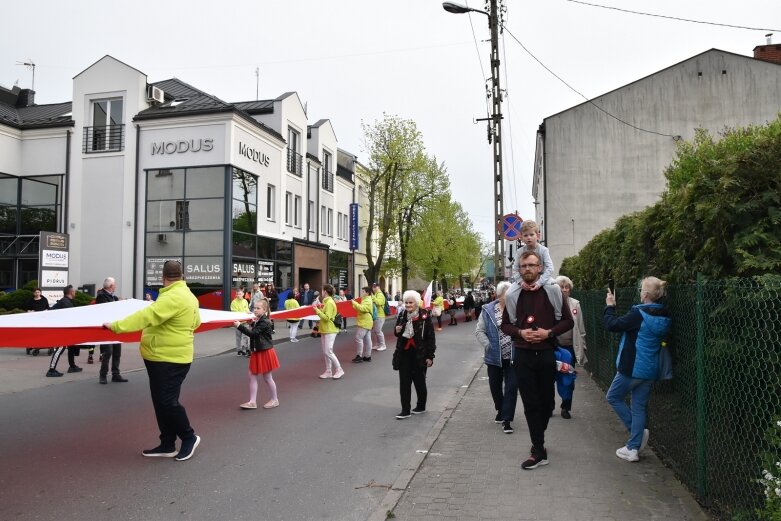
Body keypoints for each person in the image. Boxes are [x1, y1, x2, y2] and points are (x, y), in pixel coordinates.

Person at [104, 260, 201, 462]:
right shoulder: (189, 296)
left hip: (168, 358)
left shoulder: (173, 297)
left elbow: (147, 316)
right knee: (161, 402)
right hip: (165, 357)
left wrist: (116, 326)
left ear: (163, 278)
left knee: (167, 402)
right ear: (181, 276)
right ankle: (167, 443)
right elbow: (197, 322)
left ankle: (189, 437)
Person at [501, 251, 574, 470]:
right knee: (530, 403)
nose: (528, 269)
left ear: (540, 267)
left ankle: (538, 439)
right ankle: (538, 449)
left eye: (532, 265)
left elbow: (568, 321)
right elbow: (506, 325)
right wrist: (521, 333)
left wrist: (548, 333)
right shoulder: (513, 294)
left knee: (547, 403)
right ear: (519, 270)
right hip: (522, 354)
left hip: (545, 353)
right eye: (524, 266)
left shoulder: (552, 291)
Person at [604, 276, 671, 463]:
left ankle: (637, 437)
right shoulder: (663, 315)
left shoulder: (638, 314)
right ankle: (633, 449)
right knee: (638, 406)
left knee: (613, 397)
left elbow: (612, 325)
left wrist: (610, 306)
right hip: (650, 369)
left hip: (631, 367)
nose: (640, 292)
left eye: (642, 289)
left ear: (646, 294)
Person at [476, 281, 517, 434]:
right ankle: (500, 409)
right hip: (494, 357)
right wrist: (488, 345)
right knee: (495, 386)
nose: (510, 298)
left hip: (513, 356)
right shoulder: (487, 311)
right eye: (507, 295)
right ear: (499, 296)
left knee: (512, 387)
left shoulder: (517, 310)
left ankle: (507, 420)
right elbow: (479, 331)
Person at [392, 290, 436, 419]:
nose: (408, 305)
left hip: (420, 354)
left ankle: (421, 405)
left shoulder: (424, 316)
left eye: (410, 302)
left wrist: (430, 356)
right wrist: (397, 330)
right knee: (404, 382)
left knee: (419, 381)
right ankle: (405, 410)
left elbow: (431, 338)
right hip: (404, 353)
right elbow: (397, 333)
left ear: (416, 303)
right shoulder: (401, 315)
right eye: (406, 302)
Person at [234, 298, 280, 410]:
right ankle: (252, 402)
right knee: (252, 375)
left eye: (258, 308)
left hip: (265, 351)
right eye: (254, 308)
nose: (255, 310)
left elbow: (254, 334)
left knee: (267, 377)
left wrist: (240, 326)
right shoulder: (260, 320)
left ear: (264, 310)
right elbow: (257, 329)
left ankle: (274, 399)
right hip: (259, 350)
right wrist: (252, 323)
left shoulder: (265, 321)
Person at [554, 275, 588, 418]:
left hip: (569, 348)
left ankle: (565, 407)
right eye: (561, 287)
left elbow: (581, 329)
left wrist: (582, 348)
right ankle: (549, 405)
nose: (564, 290)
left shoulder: (575, 305)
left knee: (568, 378)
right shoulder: (551, 304)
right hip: (554, 347)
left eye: (566, 287)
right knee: (550, 377)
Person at [95, 277, 128, 384]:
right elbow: (107, 309)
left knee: (117, 352)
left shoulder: (113, 297)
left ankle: (116, 374)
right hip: (106, 329)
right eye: (114, 285)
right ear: (110, 286)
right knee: (108, 352)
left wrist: (122, 303)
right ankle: (103, 375)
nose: (116, 287)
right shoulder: (101, 296)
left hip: (115, 327)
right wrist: (119, 303)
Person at [45, 285, 82, 377]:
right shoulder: (66, 303)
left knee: (71, 347)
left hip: (64, 329)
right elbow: (69, 317)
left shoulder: (65, 301)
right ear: (71, 292)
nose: (75, 293)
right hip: (62, 330)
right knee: (59, 349)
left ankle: (72, 366)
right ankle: (51, 370)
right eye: (74, 291)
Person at [511, 220, 554, 289]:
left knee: (555, 288)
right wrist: (521, 282)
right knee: (509, 294)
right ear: (521, 238)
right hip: (525, 278)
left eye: (531, 234)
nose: (529, 237)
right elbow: (515, 269)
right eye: (525, 235)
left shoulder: (543, 250)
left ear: (538, 236)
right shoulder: (519, 252)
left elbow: (550, 268)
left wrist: (540, 282)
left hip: (542, 278)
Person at [314, 284, 344, 379]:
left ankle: (339, 369)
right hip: (326, 329)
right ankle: (328, 371)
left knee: (328, 351)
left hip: (330, 330)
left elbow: (326, 318)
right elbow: (325, 314)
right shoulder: (327, 302)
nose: (321, 292)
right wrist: (319, 308)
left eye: (322, 290)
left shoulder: (330, 302)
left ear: (325, 291)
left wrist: (316, 310)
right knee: (325, 351)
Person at [351, 286, 374, 363]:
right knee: (367, 340)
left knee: (358, 338)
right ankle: (367, 356)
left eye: (363, 292)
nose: (362, 293)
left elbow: (363, 308)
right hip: (367, 321)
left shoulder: (367, 300)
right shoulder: (366, 299)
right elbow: (359, 308)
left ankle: (359, 356)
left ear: (367, 293)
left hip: (364, 322)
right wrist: (354, 304)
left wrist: (354, 303)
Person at [25, 288, 49, 355]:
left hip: (43, 319)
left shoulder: (44, 299)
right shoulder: (30, 300)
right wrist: (30, 311)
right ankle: (34, 345)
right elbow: (27, 309)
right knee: (34, 333)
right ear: (34, 293)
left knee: (43, 333)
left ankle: (43, 344)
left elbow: (48, 308)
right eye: (36, 292)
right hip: (34, 319)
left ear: (40, 293)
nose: (37, 293)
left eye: (38, 292)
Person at [230, 288, 251, 356]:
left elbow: (247, 309)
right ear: (236, 294)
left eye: (240, 294)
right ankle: (239, 350)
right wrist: (244, 312)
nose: (239, 295)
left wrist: (248, 313)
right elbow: (234, 312)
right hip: (237, 323)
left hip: (245, 322)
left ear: (243, 294)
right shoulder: (233, 302)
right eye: (237, 294)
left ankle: (247, 349)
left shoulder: (245, 301)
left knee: (246, 336)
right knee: (238, 337)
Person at [370, 283, 388, 351]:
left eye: (374, 287)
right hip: (377, 315)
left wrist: (373, 297)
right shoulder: (376, 294)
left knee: (378, 331)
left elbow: (379, 302)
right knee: (376, 331)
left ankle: (383, 345)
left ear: (378, 287)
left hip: (380, 315)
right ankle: (378, 345)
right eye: (373, 287)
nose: (373, 288)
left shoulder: (380, 294)